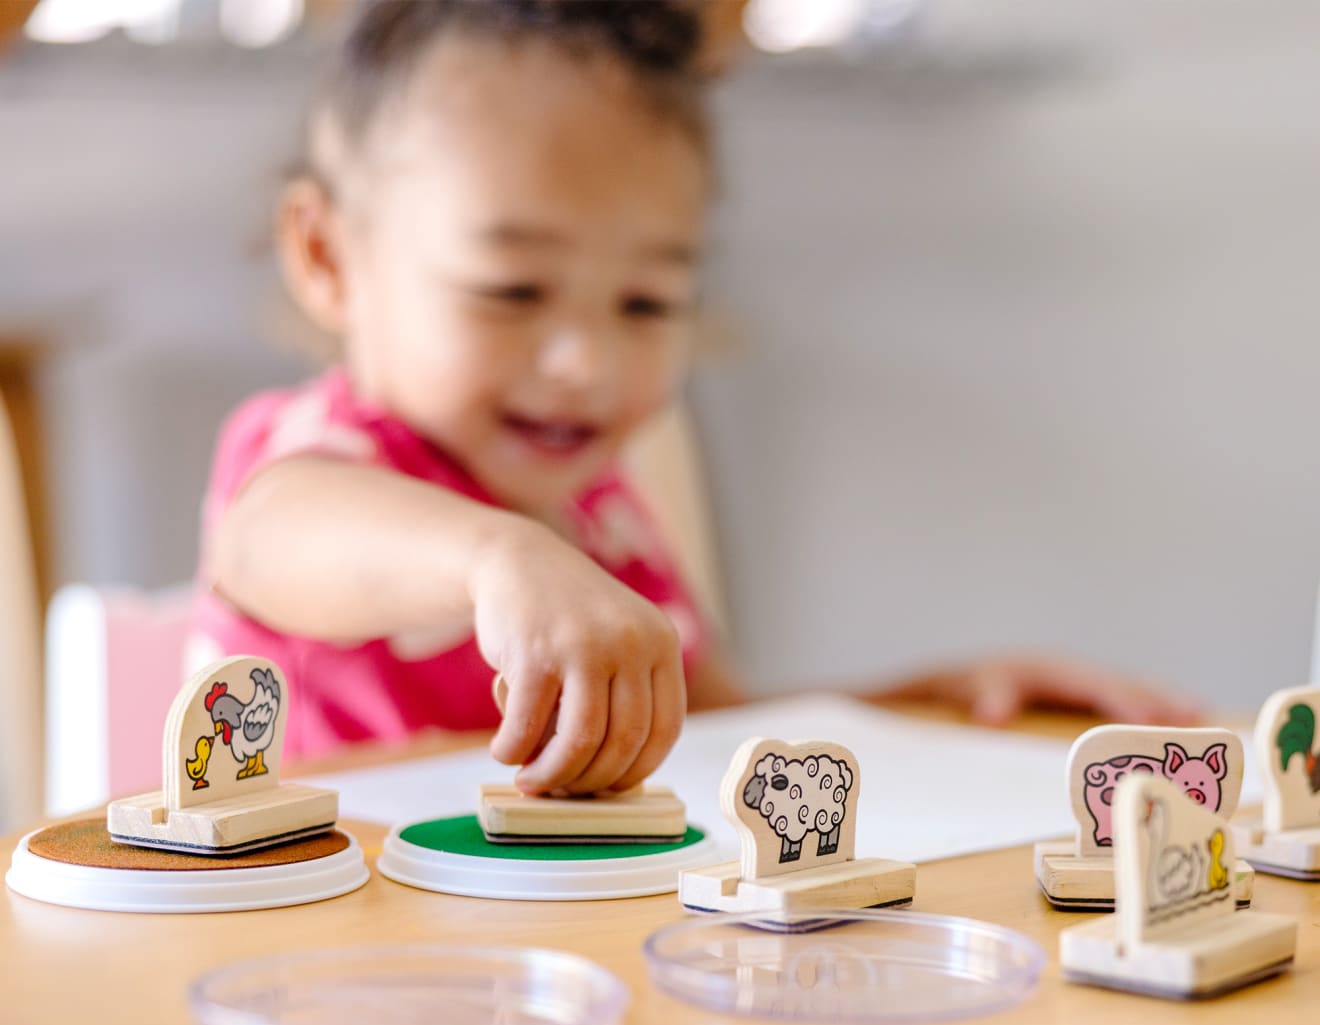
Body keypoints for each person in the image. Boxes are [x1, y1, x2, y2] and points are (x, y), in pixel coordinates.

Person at [194, 0, 1197, 794]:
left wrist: (921, 698)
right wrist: (499, 557)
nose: (584, 360)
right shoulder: (329, 462)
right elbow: (274, 536)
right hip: (333, 961)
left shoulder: (603, 522)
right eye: (511, 291)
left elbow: (721, 727)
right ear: (327, 254)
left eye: (647, 300)